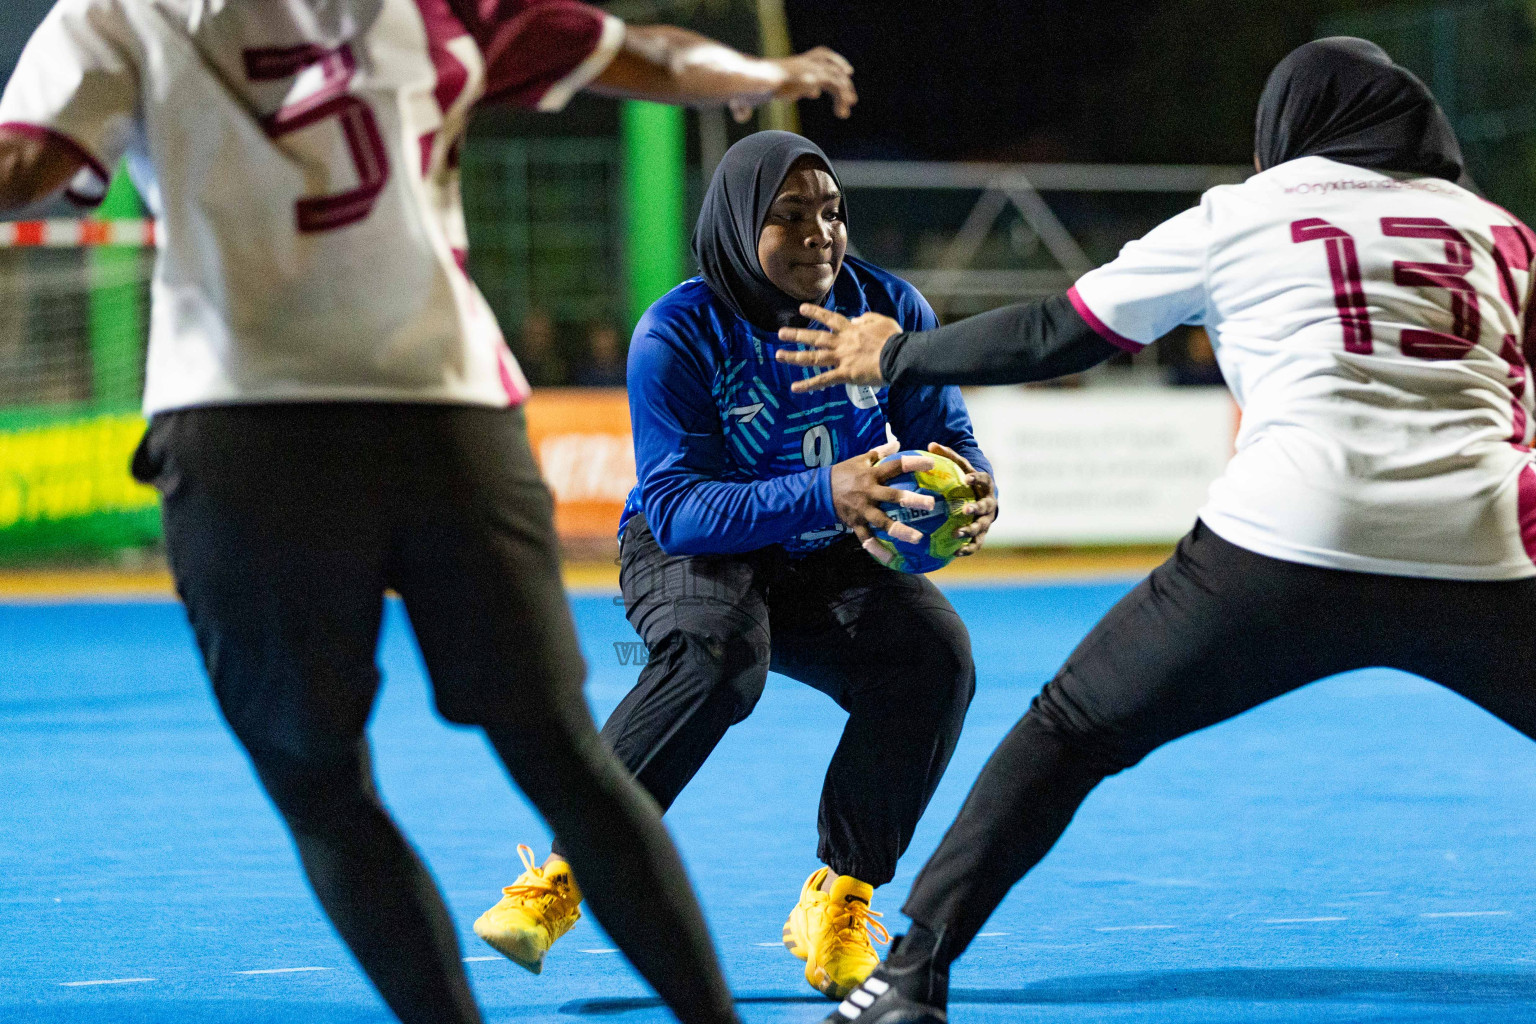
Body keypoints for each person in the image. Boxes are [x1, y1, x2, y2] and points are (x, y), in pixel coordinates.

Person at [0, 4, 859, 1024]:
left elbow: (23, 171)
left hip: (247, 419)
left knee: (318, 777)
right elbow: (645, 52)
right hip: (445, 411)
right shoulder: (435, 6)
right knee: (564, 758)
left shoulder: (120, 11)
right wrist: (753, 71)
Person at [775, 38, 1536, 1024]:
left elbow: (1065, 331)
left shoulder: (1244, 214)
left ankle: (910, 977)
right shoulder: (1500, 231)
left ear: (1290, 130)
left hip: (1284, 537)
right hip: (1485, 540)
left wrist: (903, 354)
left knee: (1069, 729)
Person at [473, 131, 997, 1000]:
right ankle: (566, 878)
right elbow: (679, 508)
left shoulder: (889, 310)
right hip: (696, 548)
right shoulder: (678, 332)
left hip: (831, 547)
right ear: (736, 225)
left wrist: (972, 490)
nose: (820, 235)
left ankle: (839, 898)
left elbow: (949, 434)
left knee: (935, 662)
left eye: (831, 212)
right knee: (718, 659)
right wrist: (825, 492)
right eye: (789, 217)